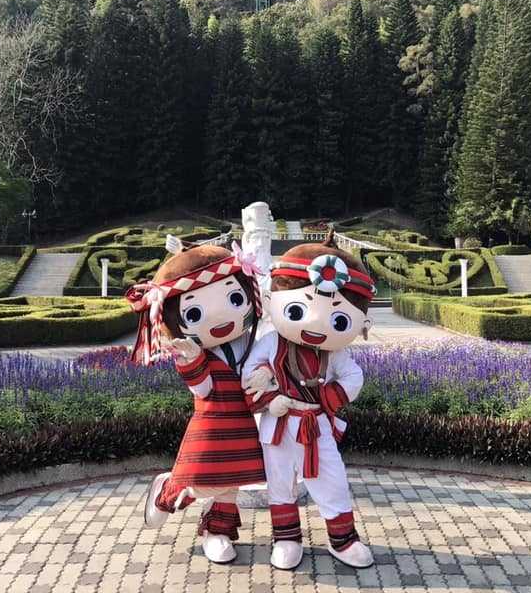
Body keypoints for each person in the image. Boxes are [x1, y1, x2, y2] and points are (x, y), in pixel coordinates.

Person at [242, 232, 376, 570]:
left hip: (316, 425)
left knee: (332, 478)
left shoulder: (336, 353)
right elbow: (250, 375)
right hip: (278, 425)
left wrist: (325, 398)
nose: (316, 324)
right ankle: (286, 538)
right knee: (280, 480)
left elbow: (354, 377)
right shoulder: (273, 343)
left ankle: (343, 539)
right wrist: (271, 399)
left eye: (337, 318)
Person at [127, 240, 267, 563]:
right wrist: (190, 360)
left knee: (231, 484)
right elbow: (203, 390)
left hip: (242, 423)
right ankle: (167, 493)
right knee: (201, 481)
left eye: (234, 298)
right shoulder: (199, 352)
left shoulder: (248, 341)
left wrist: (267, 375)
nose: (221, 317)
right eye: (194, 312)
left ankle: (216, 532)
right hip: (210, 423)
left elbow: (266, 362)